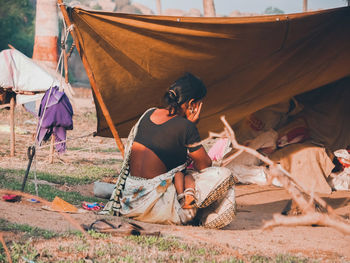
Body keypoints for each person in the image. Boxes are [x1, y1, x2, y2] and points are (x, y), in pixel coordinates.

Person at [103, 73, 236, 228]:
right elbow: (205, 166)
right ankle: (198, 215)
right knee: (224, 175)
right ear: (192, 104)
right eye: (200, 104)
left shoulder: (148, 113)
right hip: (154, 209)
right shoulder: (185, 126)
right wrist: (192, 124)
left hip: (129, 202)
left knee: (183, 176)